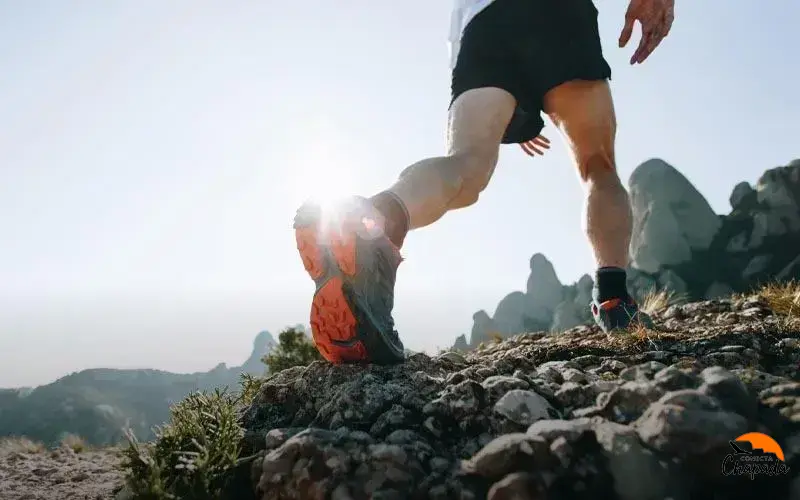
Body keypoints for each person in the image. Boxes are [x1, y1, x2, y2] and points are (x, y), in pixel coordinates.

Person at [293, 0, 676, 364]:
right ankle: (614, 301)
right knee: (598, 167)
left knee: (467, 165)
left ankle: (369, 221)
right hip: (556, 14)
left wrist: (514, 106)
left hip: (483, 25)